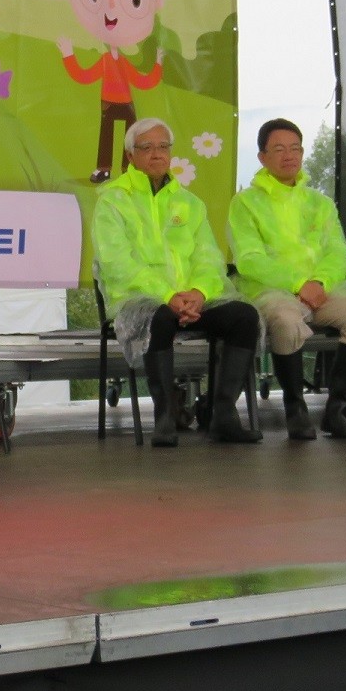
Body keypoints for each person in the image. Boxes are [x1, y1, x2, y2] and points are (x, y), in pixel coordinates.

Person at [96, 118, 262, 447]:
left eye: (163, 146)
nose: (157, 153)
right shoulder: (112, 201)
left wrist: (198, 293)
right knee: (158, 316)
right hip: (139, 301)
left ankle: (222, 415)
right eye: (146, 147)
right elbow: (118, 264)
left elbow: (209, 258)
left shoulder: (189, 203)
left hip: (189, 301)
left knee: (244, 316)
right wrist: (168, 295)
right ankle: (165, 417)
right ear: (130, 156)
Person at [227, 119, 346, 440]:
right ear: (262, 157)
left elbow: (339, 254)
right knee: (285, 319)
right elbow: (249, 259)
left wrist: (319, 283)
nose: (289, 155)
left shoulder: (319, 202)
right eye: (279, 149)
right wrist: (298, 284)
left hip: (320, 291)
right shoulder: (245, 203)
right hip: (271, 291)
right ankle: (295, 408)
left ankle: (336, 410)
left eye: (295, 148)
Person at [53, 0, 170, 183]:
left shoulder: (120, 63)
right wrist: (68, 55)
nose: (110, 10)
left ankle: (127, 169)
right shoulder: (107, 62)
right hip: (108, 103)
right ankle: (104, 168)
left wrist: (158, 63)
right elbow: (84, 76)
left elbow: (144, 81)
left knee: (131, 137)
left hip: (127, 103)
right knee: (107, 133)